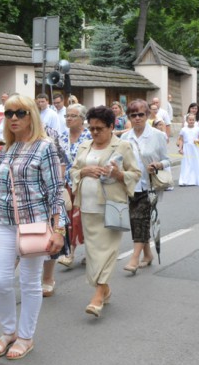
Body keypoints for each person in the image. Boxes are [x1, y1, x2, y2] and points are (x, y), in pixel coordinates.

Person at [0, 94, 64, 360]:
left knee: (29, 282)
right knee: (0, 281)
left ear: (31, 116)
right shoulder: (6, 148)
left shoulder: (45, 147)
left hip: (34, 223)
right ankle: (8, 332)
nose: (13, 118)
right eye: (8, 113)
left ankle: (25, 336)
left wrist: (59, 229)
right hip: (3, 222)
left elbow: (56, 190)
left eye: (20, 113)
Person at [71, 106, 140, 317]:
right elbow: (74, 171)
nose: (94, 132)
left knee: (107, 252)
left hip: (111, 206)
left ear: (111, 127)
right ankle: (105, 289)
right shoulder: (84, 146)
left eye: (99, 128)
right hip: (87, 207)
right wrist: (84, 171)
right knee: (93, 253)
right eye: (91, 128)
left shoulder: (123, 146)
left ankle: (98, 295)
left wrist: (118, 175)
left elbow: (135, 173)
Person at [120, 100, 171, 273]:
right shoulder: (125, 137)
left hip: (149, 186)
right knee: (136, 220)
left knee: (140, 219)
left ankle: (134, 258)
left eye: (141, 114)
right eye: (133, 115)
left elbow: (167, 159)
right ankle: (148, 254)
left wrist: (158, 165)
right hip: (131, 185)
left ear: (147, 115)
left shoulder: (158, 135)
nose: (137, 118)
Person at [57, 104, 91, 268]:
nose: (69, 119)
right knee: (68, 219)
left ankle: (87, 252)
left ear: (82, 119)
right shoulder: (62, 137)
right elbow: (59, 160)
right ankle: (70, 252)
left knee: (83, 220)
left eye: (73, 116)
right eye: (67, 116)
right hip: (66, 185)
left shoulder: (89, 136)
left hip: (85, 183)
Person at [177, 113, 199, 186]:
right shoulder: (183, 129)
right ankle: (185, 180)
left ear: (195, 121)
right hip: (186, 148)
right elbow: (181, 140)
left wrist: (197, 141)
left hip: (195, 148)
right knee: (187, 163)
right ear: (187, 121)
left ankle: (195, 180)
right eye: (190, 120)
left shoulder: (197, 129)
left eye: (193, 120)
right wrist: (180, 149)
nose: (191, 121)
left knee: (195, 163)